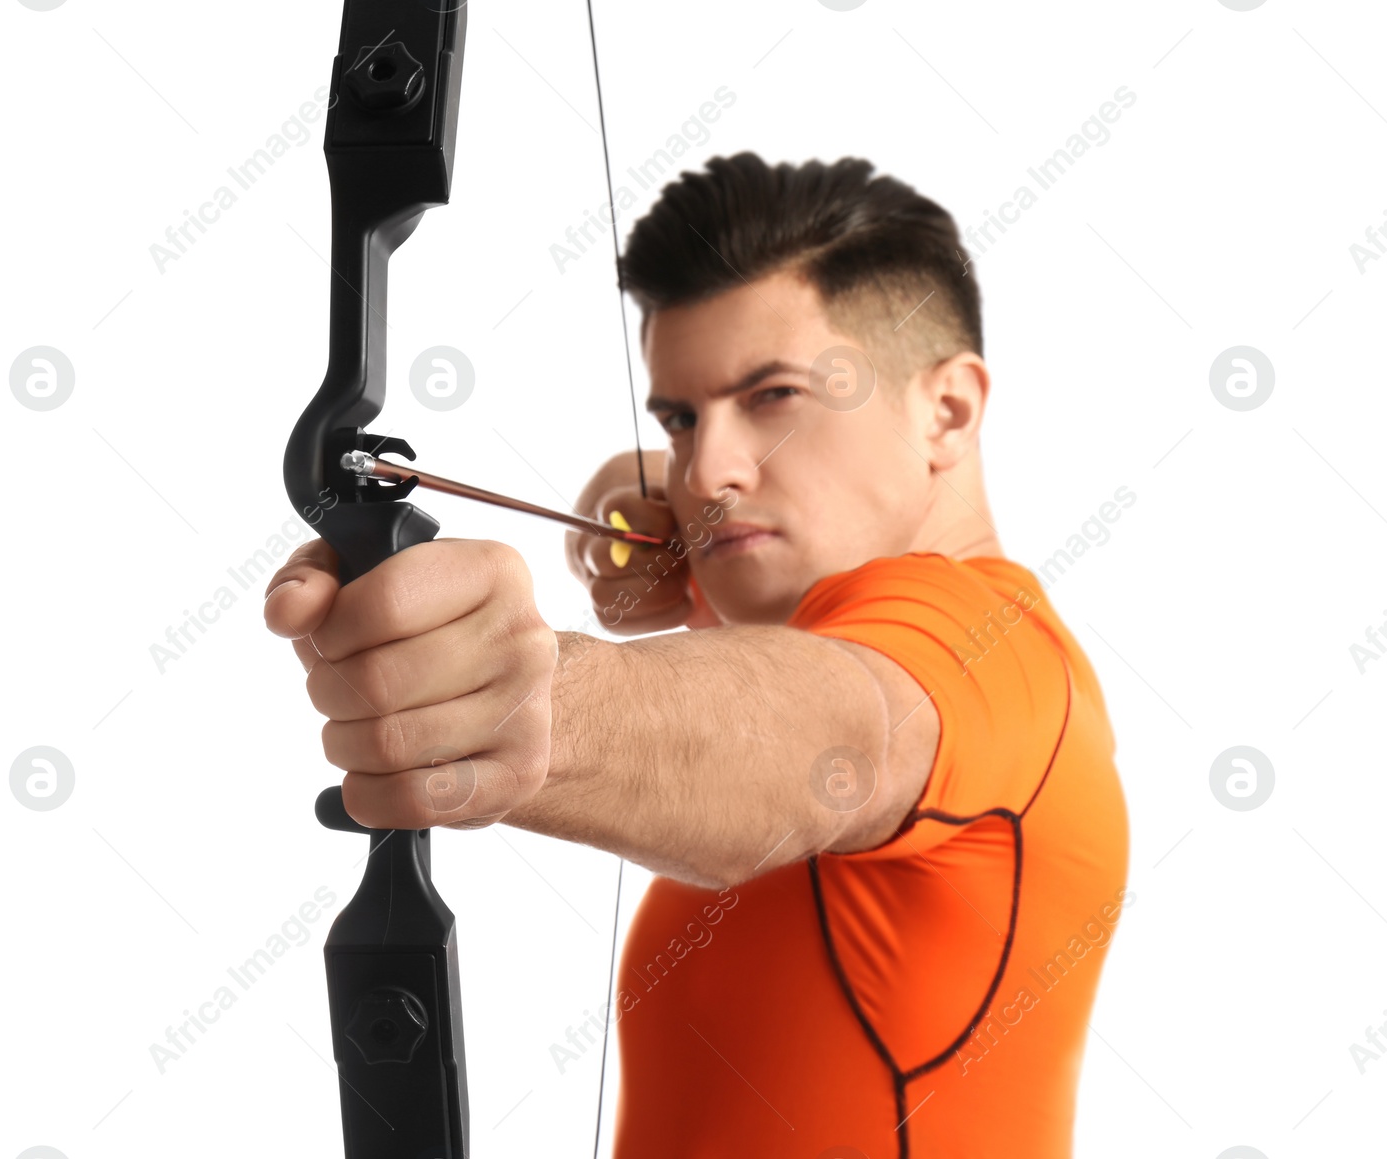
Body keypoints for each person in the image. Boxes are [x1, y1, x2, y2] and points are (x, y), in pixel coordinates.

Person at [264, 152, 1130, 1158]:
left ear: (946, 412)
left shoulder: (987, 653)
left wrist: (529, 699)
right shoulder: (823, 626)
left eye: (773, 397)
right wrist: (698, 566)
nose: (706, 468)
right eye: (679, 417)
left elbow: (819, 736)